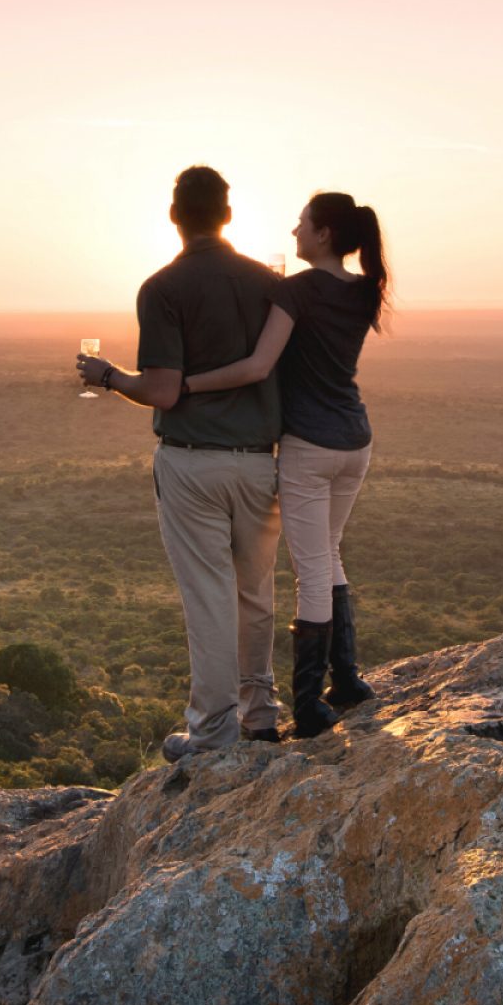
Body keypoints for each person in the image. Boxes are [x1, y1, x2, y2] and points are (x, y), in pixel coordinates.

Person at [76, 165, 286, 760]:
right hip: (259, 461)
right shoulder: (270, 284)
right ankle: (262, 714)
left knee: (209, 597)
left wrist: (109, 376)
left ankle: (213, 733)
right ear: (227, 214)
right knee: (256, 591)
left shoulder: (163, 288)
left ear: (174, 216)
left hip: (193, 462)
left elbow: (164, 390)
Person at [180, 192, 388, 738]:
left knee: (312, 569)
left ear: (322, 235)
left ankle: (309, 705)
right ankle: (345, 679)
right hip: (354, 440)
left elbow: (257, 365)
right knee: (329, 553)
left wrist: (186, 385)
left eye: (302, 224)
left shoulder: (297, 291)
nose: (294, 232)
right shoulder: (365, 290)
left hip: (309, 446)